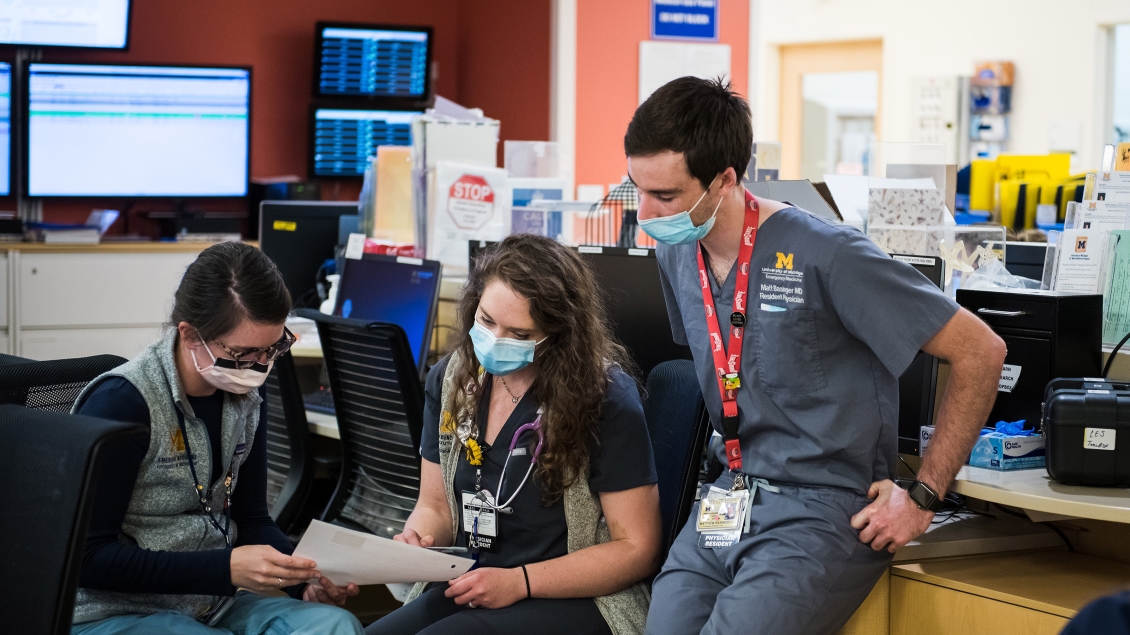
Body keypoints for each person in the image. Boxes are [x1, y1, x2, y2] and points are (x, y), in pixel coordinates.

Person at [626, 77, 1007, 635]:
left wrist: (924, 496)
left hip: (820, 509)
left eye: (666, 196)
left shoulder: (830, 255)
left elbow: (981, 350)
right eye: (636, 188)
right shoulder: (678, 253)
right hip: (729, 494)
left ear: (725, 180)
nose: (646, 212)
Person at [366, 234, 661, 635]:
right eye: (486, 322)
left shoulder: (604, 398)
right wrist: (418, 539)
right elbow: (435, 506)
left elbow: (636, 550)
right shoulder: (454, 380)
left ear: (558, 334)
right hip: (478, 580)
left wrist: (520, 581)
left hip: (574, 596)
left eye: (520, 335)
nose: (496, 341)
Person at [70, 242, 363, 635]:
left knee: (335, 625)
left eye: (272, 349)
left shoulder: (244, 396)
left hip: (212, 603)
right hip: (116, 611)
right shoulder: (124, 403)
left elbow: (252, 519)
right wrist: (224, 569)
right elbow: (85, 558)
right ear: (190, 335)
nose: (260, 366)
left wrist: (301, 579)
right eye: (243, 354)